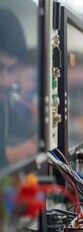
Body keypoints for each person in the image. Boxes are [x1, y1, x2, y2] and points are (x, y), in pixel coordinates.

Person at [0, 8, 37, 169]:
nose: (5, 81)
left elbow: (21, 129)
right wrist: (7, 155)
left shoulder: (4, 104)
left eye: (10, 70)